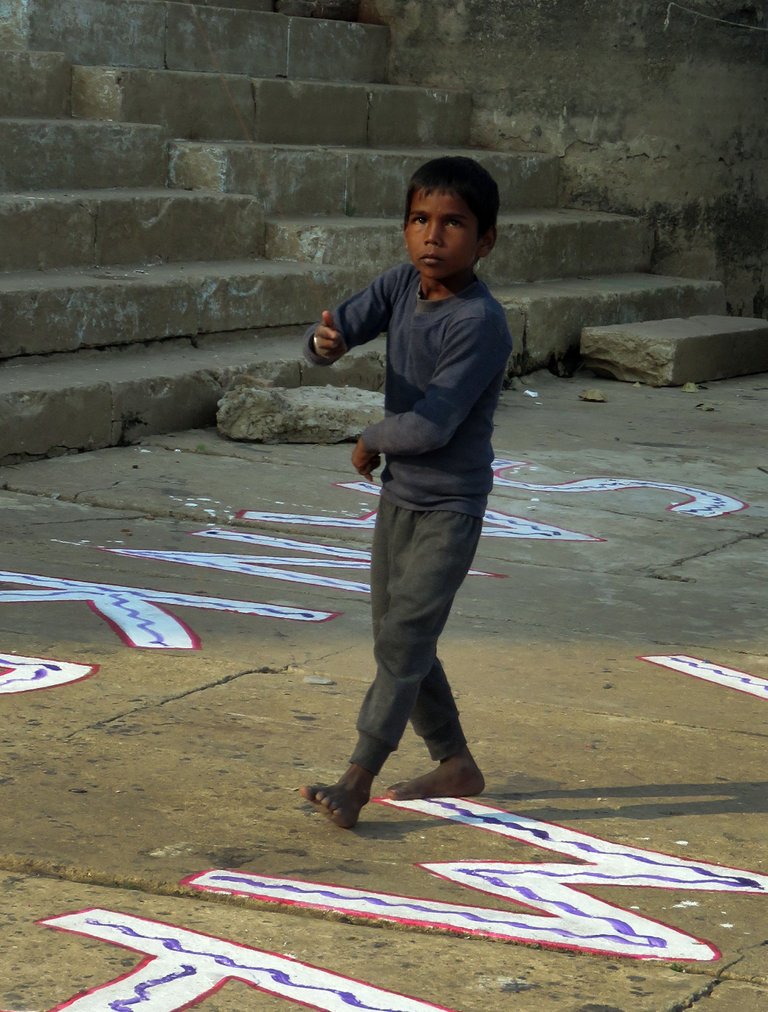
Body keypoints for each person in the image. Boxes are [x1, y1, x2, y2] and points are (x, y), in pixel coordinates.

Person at [299, 155, 513, 829]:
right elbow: (338, 330)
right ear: (404, 228)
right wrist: (324, 342)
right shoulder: (401, 285)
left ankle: (357, 779)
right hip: (399, 499)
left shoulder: (481, 323)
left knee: (406, 638)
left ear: (484, 241)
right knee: (399, 639)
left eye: (453, 224)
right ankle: (455, 763)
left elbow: (432, 423)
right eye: (420, 219)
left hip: (450, 506)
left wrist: (370, 436)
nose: (433, 236)